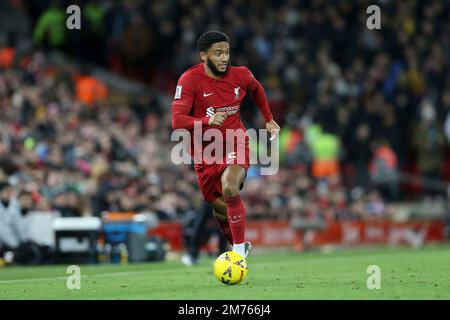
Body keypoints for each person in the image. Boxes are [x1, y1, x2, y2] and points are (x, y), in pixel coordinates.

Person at [171, 31, 279, 259]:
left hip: (235, 142)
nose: (224, 58)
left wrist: (268, 119)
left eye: (227, 52)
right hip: (205, 154)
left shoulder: (241, 75)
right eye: (218, 53)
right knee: (218, 210)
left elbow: (256, 88)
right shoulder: (189, 80)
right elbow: (177, 121)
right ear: (203, 55)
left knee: (230, 185)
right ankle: (230, 245)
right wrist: (206, 120)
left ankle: (237, 253)